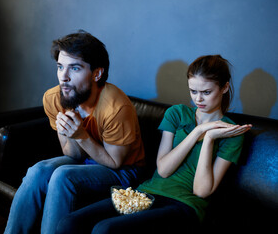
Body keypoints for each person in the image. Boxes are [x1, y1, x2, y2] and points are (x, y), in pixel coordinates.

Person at [55, 55, 252, 234]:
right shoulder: (176, 114)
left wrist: (209, 139)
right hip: (147, 192)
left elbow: (201, 191)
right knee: (69, 223)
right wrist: (198, 132)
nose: (198, 99)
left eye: (206, 92)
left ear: (224, 87)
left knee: (105, 230)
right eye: (193, 91)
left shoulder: (232, 132)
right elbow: (164, 169)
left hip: (185, 205)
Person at [4, 30, 145, 234]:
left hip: (125, 171)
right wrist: (72, 135)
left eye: (75, 68)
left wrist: (81, 135)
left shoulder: (116, 107)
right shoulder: (55, 98)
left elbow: (116, 163)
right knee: (39, 170)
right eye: (60, 67)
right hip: (87, 160)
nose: (64, 77)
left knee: (63, 176)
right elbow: (72, 154)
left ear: (96, 73)